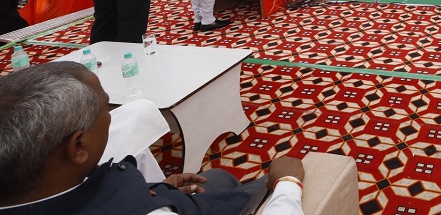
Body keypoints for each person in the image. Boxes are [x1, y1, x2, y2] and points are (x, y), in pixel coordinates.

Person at [0, 61, 306, 214]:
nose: (111, 114)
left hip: (155, 194)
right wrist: (288, 185)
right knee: (257, 184)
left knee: (218, 178)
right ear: (78, 146)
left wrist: (154, 188)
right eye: (106, 107)